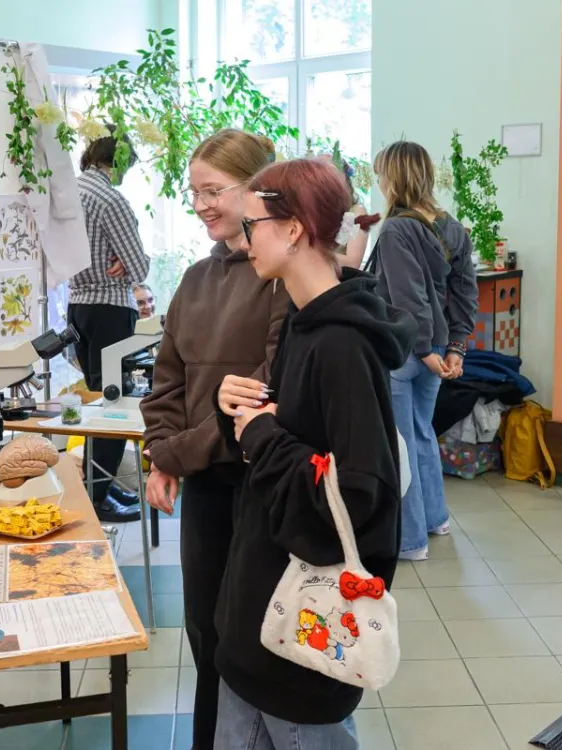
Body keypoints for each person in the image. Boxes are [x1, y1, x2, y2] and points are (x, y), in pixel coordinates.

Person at [213, 158, 413, 750]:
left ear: (294, 228)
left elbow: (358, 496)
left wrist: (261, 435)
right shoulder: (305, 322)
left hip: (303, 652)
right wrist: (243, 409)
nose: (241, 239)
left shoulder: (342, 346)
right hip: (258, 630)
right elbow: (298, 434)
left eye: (251, 225)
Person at [140, 128, 289, 750]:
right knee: (204, 629)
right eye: (193, 192)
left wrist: (177, 450)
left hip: (258, 482)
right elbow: (166, 378)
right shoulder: (196, 279)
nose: (201, 204)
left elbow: (263, 392)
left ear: (257, 189)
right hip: (203, 484)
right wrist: (161, 452)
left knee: (251, 635)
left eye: (213, 190)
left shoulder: (280, 278)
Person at [368, 141, 478, 560]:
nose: (379, 182)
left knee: (398, 443)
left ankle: (410, 541)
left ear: (393, 177)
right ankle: (436, 518)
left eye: (381, 174)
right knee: (421, 432)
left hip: (404, 349)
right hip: (434, 349)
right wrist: (454, 347)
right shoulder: (452, 226)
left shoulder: (397, 228)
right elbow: (465, 293)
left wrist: (422, 347)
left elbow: (406, 296)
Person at [68, 124, 151, 522]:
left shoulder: (68, 192)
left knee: (100, 399)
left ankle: (97, 487)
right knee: (116, 405)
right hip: (110, 308)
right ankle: (98, 498)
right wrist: (125, 265)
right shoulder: (109, 198)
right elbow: (137, 264)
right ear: (117, 164)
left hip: (77, 307)